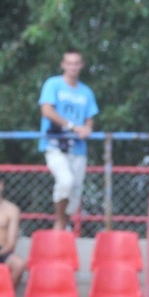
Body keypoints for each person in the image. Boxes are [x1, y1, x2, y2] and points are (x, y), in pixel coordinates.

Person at [38, 49, 99, 231]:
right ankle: (59, 222)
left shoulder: (86, 92)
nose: (73, 67)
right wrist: (72, 126)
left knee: (75, 191)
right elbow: (47, 111)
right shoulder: (53, 84)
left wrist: (87, 128)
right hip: (54, 143)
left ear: (81, 65)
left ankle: (65, 223)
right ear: (63, 64)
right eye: (69, 63)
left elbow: (90, 117)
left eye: (76, 63)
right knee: (65, 181)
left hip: (78, 148)